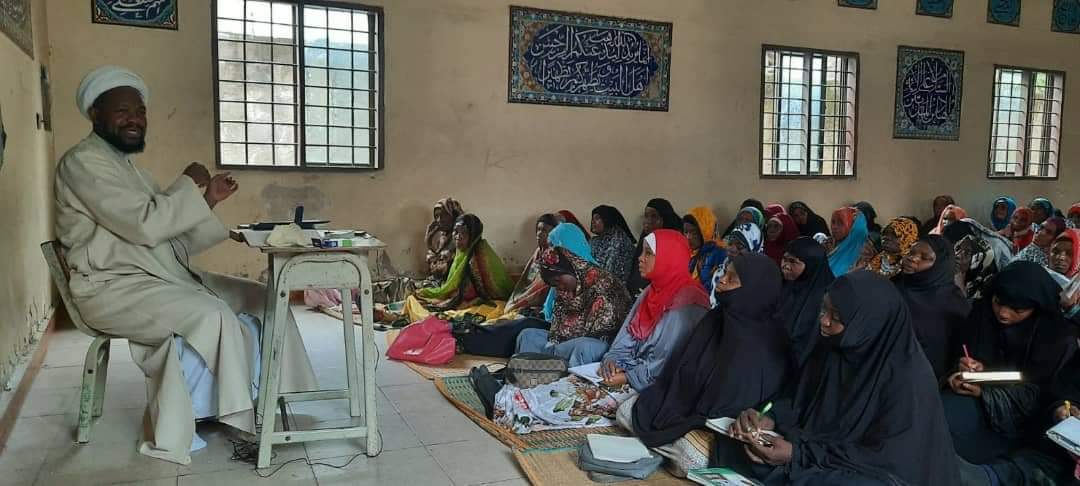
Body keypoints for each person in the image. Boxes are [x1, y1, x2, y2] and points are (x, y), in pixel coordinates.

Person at [54, 66, 318, 464]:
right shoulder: (83, 163)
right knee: (213, 314)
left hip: (155, 274)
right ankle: (240, 415)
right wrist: (185, 183)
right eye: (122, 111)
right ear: (95, 114)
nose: (134, 119)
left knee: (264, 297)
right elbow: (147, 225)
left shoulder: (127, 168)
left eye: (140, 111)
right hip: (111, 287)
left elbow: (166, 234)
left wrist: (208, 199)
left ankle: (279, 390)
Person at [720, 271, 961, 485]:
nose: (824, 321)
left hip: (874, 471)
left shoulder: (909, 380)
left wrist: (798, 454)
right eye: (824, 309)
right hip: (817, 449)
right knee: (740, 444)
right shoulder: (833, 345)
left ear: (867, 325)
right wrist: (770, 417)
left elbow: (886, 461)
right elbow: (801, 398)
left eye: (837, 317)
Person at [622, 254, 789, 477]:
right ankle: (665, 448)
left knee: (691, 456)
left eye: (732, 279)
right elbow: (681, 371)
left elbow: (745, 406)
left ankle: (666, 448)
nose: (722, 280)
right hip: (684, 407)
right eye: (725, 273)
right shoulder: (716, 318)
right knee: (625, 410)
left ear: (753, 290)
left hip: (720, 429)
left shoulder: (769, 342)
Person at [942, 262, 1078, 464]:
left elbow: (1044, 395)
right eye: (998, 302)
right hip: (967, 402)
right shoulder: (982, 314)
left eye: (1017, 309)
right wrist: (962, 372)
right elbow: (958, 355)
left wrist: (986, 393)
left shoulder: (1057, 340)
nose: (1003, 313)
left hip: (1018, 427)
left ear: (1038, 308)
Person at [601, 229, 711, 392]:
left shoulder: (687, 299)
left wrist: (628, 377)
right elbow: (626, 336)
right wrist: (613, 360)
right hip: (634, 368)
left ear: (669, 257)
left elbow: (665, 362)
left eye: (648, 253)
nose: (640, 258)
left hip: (664, 382)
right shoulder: (652, 290)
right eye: (642, 252)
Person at [515, 242, 632, 367]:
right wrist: (560, 341)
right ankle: (529, 373)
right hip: (566, 343)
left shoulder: (606, 285)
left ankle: (563, 375)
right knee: (527, 336)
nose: (559, 287)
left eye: (558, 280)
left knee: (585, 347)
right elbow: (557, 328)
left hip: (600, 347)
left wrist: (565, 341)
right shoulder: (565, 290)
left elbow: (603, 333)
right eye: (554, 285)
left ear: (571, 269)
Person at [405, 214, 514, 321]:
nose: (458, 236)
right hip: (463, 299)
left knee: (429, 313)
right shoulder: (460, 254)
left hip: (485, 301)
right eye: (455, 231)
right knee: (413, 299)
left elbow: (489, 291)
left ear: (473, 235)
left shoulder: (480, 255)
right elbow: (451, 284)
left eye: (464, 232)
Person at [897, 235, 971, 379]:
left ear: (940, 265)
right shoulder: (896, 285)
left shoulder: (954, 306)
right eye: (911, 252)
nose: (912, 258)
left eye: (924, 257)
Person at [778, 238, 834, 368]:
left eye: (793, 261)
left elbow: (806, 344)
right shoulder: (788, 284)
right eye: (784, 259)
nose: (785, 265)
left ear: (811, 264)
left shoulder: (823, 298)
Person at [540, 223, 600, 321]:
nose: (551, 251)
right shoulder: (563, 274)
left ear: (566, 247)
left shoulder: (595, 280)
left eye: (554, 246)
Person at [944, 219, 1015, 301]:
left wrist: (960, 286)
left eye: (966, 253)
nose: (957, 256)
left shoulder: (993, 291)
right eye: (955, 249)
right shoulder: (952, 270)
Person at [503, 214, 559, 315]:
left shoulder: (555, 256)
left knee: (513, 311)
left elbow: (544, 286)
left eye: (544, 230)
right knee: (509, 307)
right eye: (538, 229)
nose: (539, 233)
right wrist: (521, 295)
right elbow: (526, 279)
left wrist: (525, 299)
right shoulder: (538, 252)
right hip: (528, 293)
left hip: (540, 300)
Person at [628, 199, 683, 295]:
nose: (648, 221)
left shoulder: (674, 244)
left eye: (654, 216)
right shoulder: (645, 240)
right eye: (646, 216)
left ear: (665, 219)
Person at [589, 205, 637, 283]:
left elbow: (610, 272)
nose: (593, 222)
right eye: (593, 218)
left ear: (607, 219)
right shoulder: (594, 240)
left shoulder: (619, 241)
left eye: (597, 218)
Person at [683, 207, 726, 287]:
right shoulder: (685, 252)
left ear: (706, 231)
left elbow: (714, 286)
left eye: (694, 232)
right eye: (686, 232)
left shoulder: (718, 254)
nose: (688, 237)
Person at [426, 197, 465, 281]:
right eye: (436, 216)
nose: (439, 220)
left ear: (454, 215)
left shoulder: (461, 237)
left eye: (444, 215)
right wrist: (429, 239)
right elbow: (434, 268)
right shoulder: (443, 237)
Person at [827, 207, 869, 277]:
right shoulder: (827, 245)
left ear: (854, 227)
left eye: (840, 223)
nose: (834, 227)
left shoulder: (865, 254)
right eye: (833, 222)